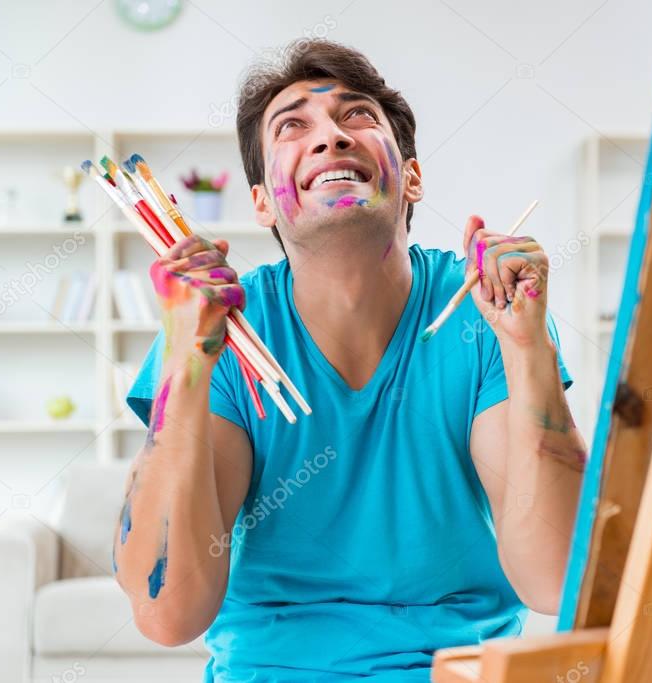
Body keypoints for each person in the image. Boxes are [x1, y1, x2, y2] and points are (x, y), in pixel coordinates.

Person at [117, 38, 585, 681]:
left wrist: (530, 349)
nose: (330, 137)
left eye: (358, 116)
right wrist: (182, 361)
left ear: (412, 176)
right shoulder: (220, 330)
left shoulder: (488, 316)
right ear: (261, 201)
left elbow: (558, 581)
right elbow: (165, 615)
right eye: (293, 127)